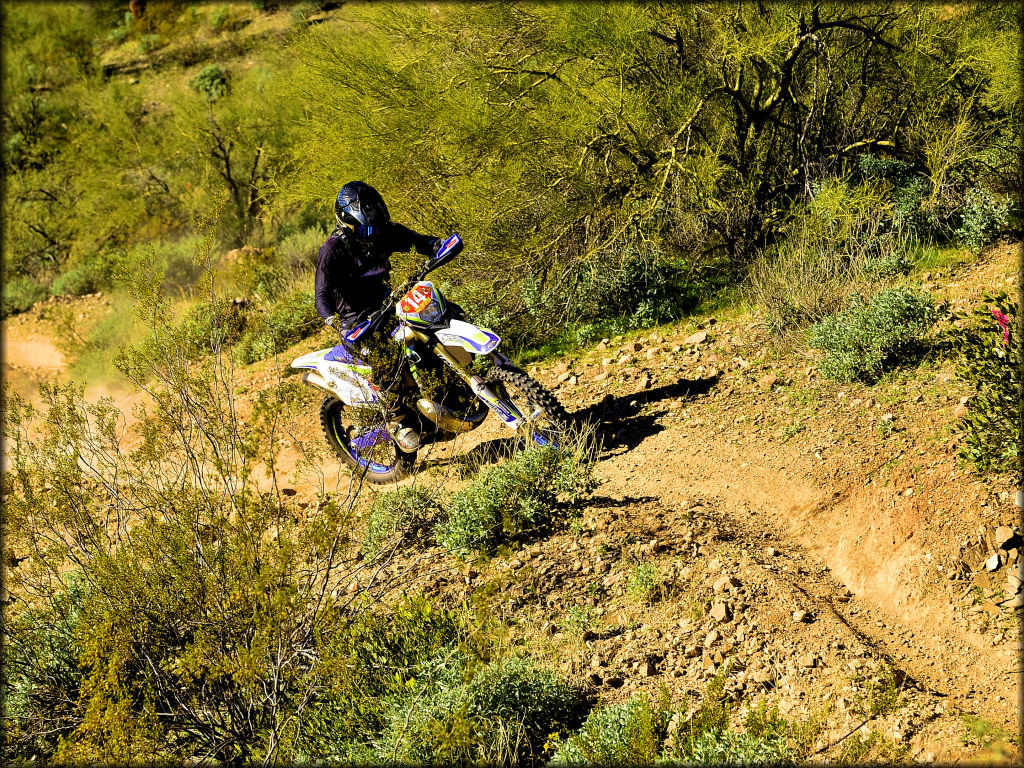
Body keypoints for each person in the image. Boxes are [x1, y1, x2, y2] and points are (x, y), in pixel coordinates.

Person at [314, 180, 442, 450]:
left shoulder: (385, 233)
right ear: (347, 222)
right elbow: (322, 296)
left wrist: (441, 246)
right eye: (367, 228)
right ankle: (397, 420)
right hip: (358, 323)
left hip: (389, 306)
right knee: (384, 359)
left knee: (436, 316)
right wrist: (332, 321)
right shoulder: (332, 250)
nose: (373, 234)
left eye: (377, 226)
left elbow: (422, 243)